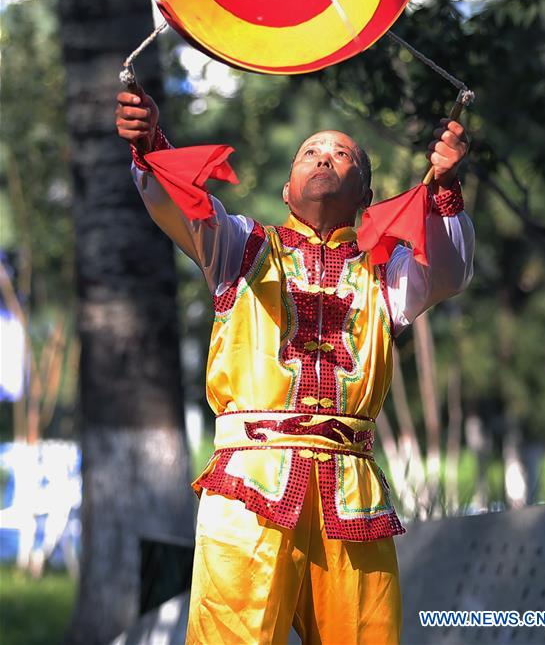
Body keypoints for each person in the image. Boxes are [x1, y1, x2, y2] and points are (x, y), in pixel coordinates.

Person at [115, 87, 474, 645]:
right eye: (309, 152)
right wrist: (149, 142)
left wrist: (446, 188)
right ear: (286, 188)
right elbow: (185, 205)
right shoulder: (241, 247)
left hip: (351, 492)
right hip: (248, 487)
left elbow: (448, 271)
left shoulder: (386, 272)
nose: (324, 158)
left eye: (341, 154)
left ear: (367, 192)